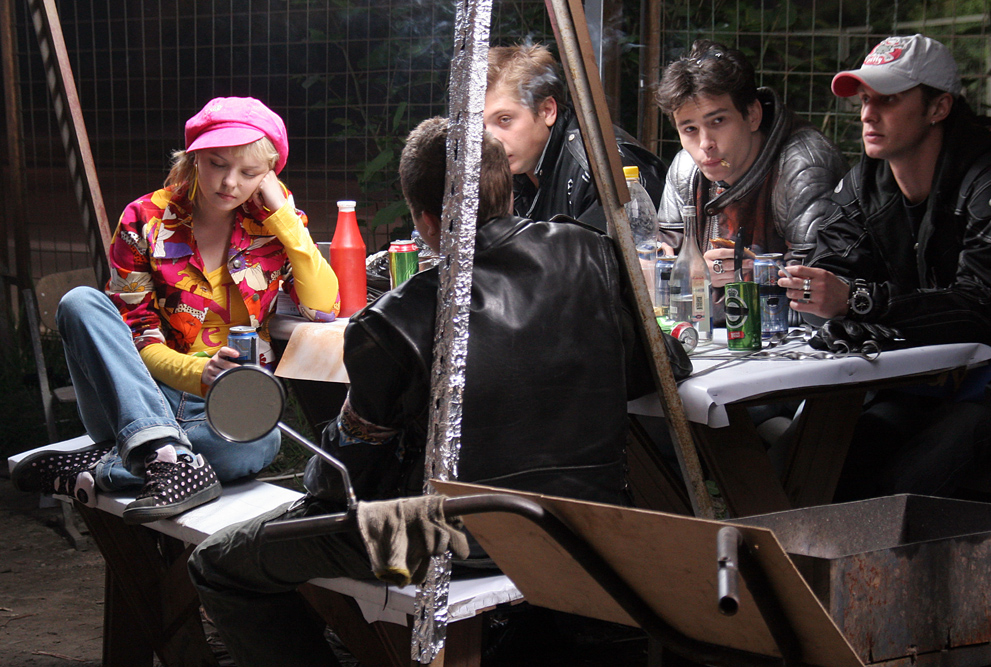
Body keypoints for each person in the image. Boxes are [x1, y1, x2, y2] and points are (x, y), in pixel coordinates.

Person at [187, 116, 672, 667]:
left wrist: (321, 468)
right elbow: (656, 368)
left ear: (424, 220)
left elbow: (348, 473)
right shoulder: (592, 252)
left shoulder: (398, 318)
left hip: (447, 537)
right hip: (588, 519)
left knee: (219, 561)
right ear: (507, 191)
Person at [11, 97, 339, 524]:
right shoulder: (144, 219)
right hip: (134, 396)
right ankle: (159, 450)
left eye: (249, 173)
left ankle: (121, 463)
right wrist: (197, 372)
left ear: (269, 176)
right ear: (194, 156)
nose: (230, 182)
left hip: (226, 408)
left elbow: (322, 308)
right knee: (80, 302)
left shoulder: (274, 222)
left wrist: (285, 219)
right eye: (218, 164)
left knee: (259, 443)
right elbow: (138, 334)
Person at [780, 34, 991, 500]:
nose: (867, 114)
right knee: (805, 463)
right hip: (912, 385)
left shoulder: (989, 177)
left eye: (889, 99)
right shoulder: (864, 182)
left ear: (939, 107)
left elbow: (981, 305)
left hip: (989, 385)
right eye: (864, 100)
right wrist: (820, 296)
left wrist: (861, 302)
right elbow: (828, 273)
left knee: (904, 486)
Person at [655, 39, 848, 311]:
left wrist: (734, 277)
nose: (705, 143)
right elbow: (655, 276)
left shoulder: (804, 167)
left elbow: (814, 297)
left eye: (718, 121)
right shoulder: (686, 168)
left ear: (753, 115)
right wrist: (695, 275)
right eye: (690, 129)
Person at [485, 43, 667, 231]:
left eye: (504, 119)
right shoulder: (512, 169)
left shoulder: (600, 168)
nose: (491, 139)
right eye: (480, 127)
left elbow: (601, 250)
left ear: (547, 111)